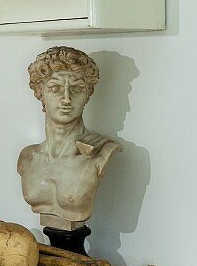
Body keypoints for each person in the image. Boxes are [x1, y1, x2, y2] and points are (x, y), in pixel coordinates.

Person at [17, 47, 122, 230]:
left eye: (77, 89)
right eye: (55, 88)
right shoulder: (27, 156)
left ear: (87, 95)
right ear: (41, 93)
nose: (66, 99)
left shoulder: (101, 153)